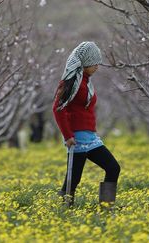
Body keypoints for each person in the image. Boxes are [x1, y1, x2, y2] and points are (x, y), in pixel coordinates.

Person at [52, 41, 121, 206]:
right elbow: (58, 109)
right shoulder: (70, 82)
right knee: (73, 179)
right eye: (93, 63)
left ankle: (106, 206)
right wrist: (67, 136)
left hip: (90, 136)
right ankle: (63, 211)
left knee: (112, 168)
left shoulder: (85, 81)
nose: (97, 66)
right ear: (84, 63)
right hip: (77, 138)